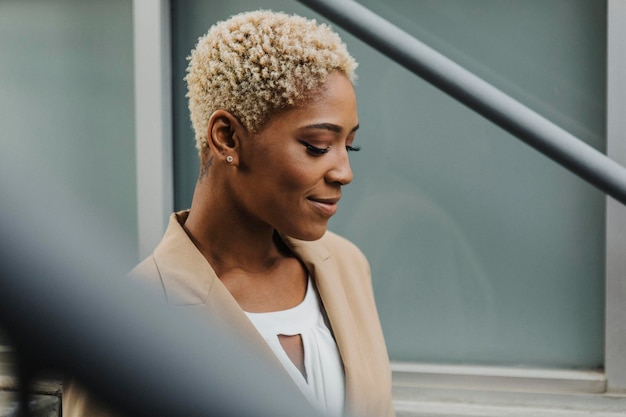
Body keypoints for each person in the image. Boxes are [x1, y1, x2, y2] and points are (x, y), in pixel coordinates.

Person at [63, 10, 394, 417]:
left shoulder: (346, 266)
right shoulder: (126, 325)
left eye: (350, 146)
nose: (345, 172)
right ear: (227, 138)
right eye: (318, 146)